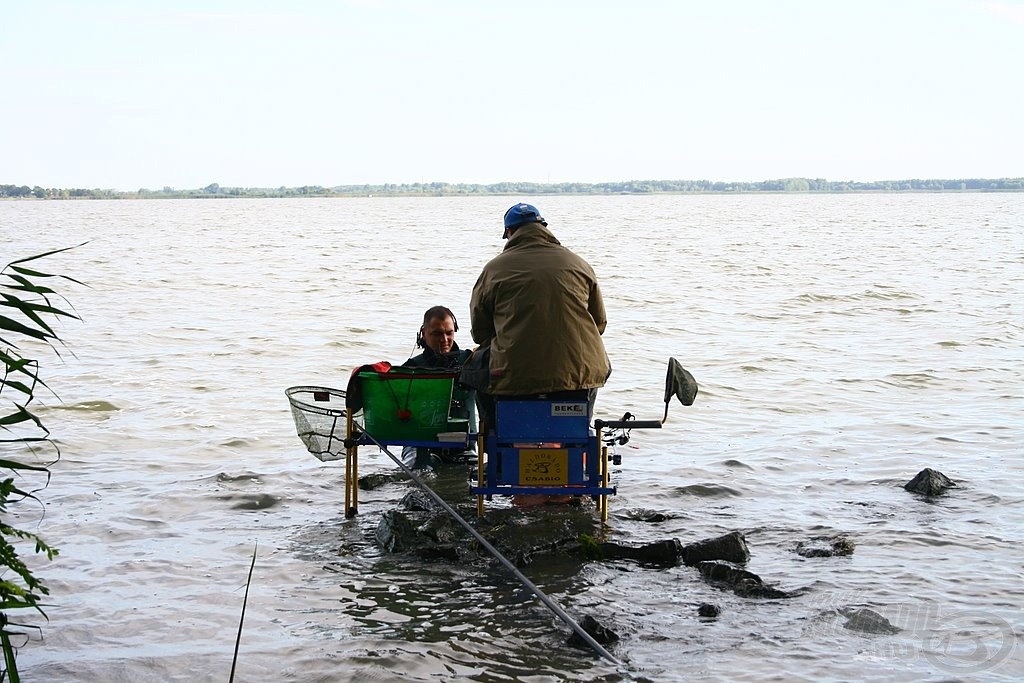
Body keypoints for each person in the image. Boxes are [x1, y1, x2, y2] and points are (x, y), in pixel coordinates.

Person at [468, 203, 610, 427]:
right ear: (543, 227)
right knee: (588, 378)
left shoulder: (494, 269)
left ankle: (491, 435)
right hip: (579, 376)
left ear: (510, 233)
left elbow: (480, 332)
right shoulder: (579, 264)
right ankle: (580, 433)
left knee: (474, 367)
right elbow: (599, 324)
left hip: (514, 377)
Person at [400, 306, 475, 469]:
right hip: (418, 445)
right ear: (423, 333)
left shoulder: (470, 362)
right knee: (416, 468)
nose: (444, 339)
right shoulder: (410, 368)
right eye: (437, 334)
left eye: (449, 333)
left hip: (463, 442)